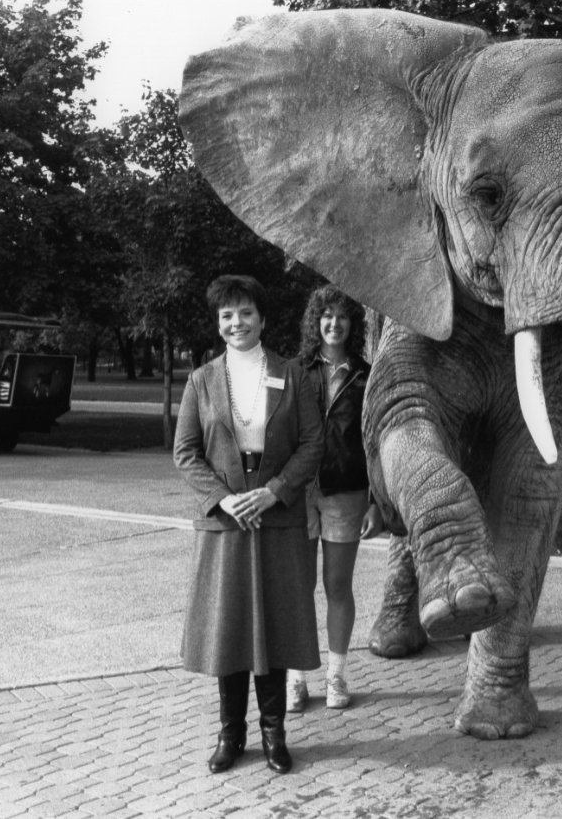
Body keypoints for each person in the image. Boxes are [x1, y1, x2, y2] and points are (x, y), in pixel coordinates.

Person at [174, 274, 324, 775]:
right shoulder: (201, 380)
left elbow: (312, 446)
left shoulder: (294, 374)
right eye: (226, 316)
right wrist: (223, 499)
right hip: (226, 525)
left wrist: (274, 491)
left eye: (244, 313)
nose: (235, 323)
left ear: (262, 318)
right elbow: (186, 453)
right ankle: (231, 735)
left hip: (276, 519)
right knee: (230, 629)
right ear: (219, 324)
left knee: (275, 628)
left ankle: (274, 735)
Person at [287, 285, 383, 712]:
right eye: (326, 315)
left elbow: (377, 441)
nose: (334, 323)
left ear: (352, 324)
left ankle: (336, 676)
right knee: (298, 588)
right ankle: (295, 678)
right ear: (315, 321)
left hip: (347, 493)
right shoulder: (295, 372)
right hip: (299, 493)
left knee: (337, 586)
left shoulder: (366, 375)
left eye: (342, 315)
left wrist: (377, 500)